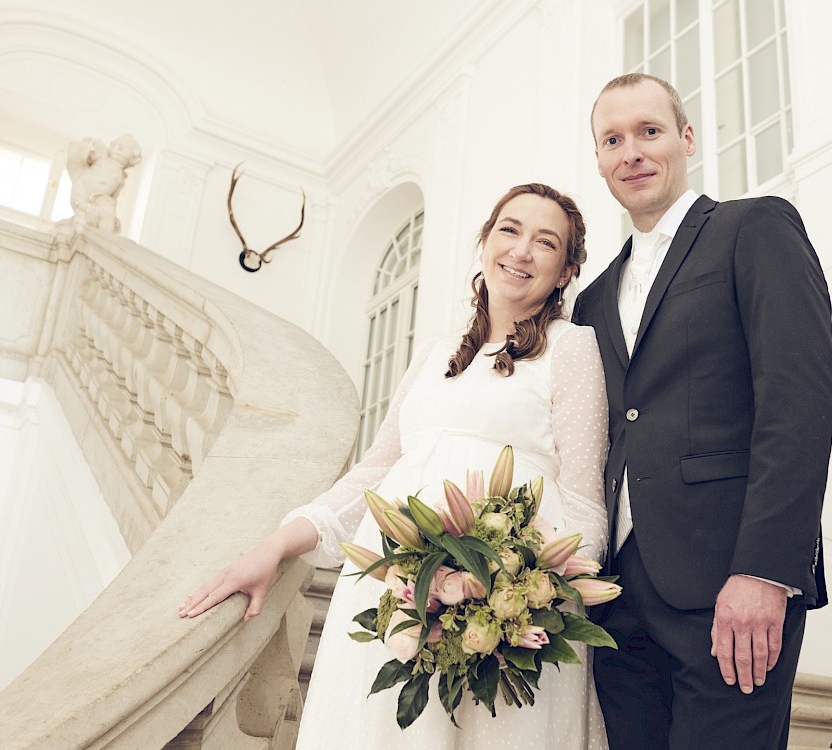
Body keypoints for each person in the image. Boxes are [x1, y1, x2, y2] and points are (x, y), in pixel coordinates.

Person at [180, 183, 611, 749]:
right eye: (509, 229)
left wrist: (530, 598)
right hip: (398, 593)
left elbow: (583, 502)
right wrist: (277, 544)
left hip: (510, 618)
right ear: (485, 241)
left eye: (545, 242)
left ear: (565, 270)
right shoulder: (435, 354)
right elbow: (375, 476)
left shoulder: (571, 349)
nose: (522, 250)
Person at [573, 73, 832, 750]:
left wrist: (766, 569)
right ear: (599, 160)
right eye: (613, 139)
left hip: (729, 581)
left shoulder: (754, 227)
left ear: (686, 139)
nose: (631, 151)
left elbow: (797, 401)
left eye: (649, 131)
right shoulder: (592, 301)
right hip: (617, 600)